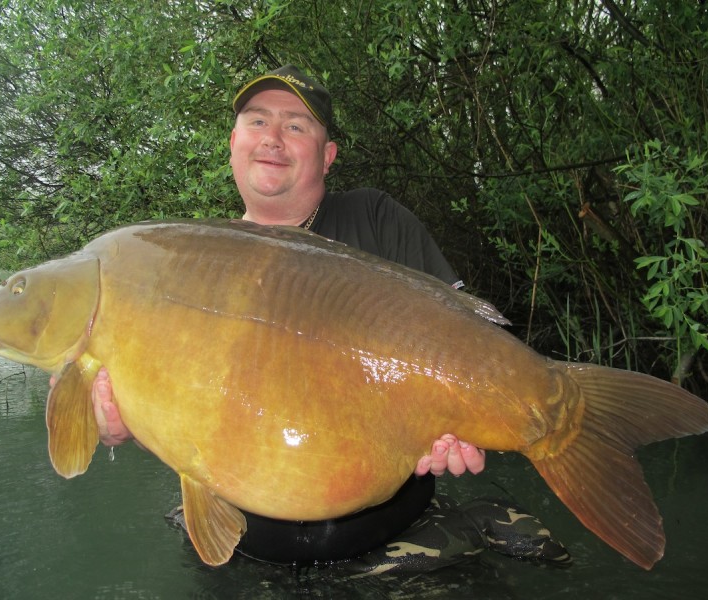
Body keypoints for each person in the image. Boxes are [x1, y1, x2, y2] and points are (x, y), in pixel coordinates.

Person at [87, 65, 569, 573]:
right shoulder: (185, 264)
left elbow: (474, 349)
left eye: (296, 126)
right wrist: (125, 425)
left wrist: (469, 420)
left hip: (395, 536)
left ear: (328, 155)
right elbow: (178, 409)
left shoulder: (375, 220)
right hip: (245, 547)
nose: (272, 138)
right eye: (256, 122)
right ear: (233, 142)